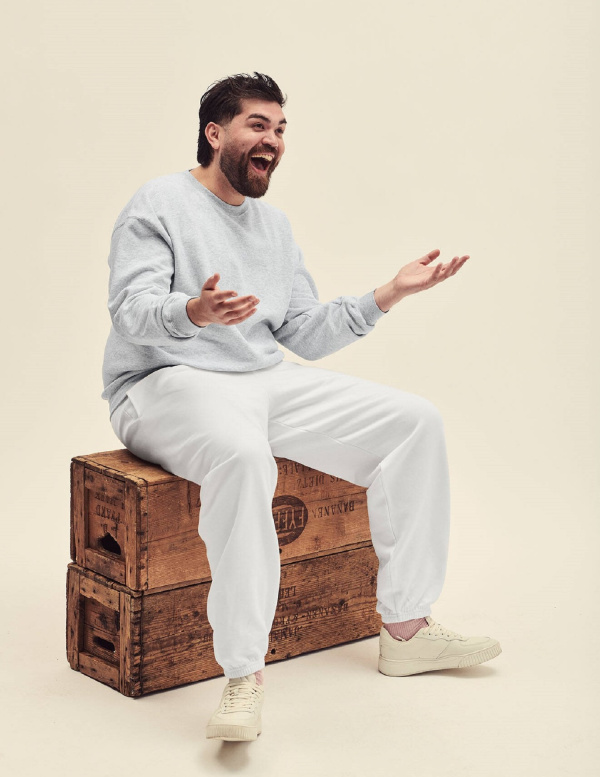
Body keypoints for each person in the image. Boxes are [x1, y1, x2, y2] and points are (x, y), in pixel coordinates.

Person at [102, 71, 501, 743]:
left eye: (281, 129)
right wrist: (194, 310)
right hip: (163, 380)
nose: (274, 140)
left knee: (414, 421)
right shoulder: (159, 202)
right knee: (241, 456)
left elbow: (303, 334)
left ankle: (407, 629)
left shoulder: (274, 226)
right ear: (215, 133)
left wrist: (388, 294)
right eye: (258, 125)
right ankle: (243, 674)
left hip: (260, 378)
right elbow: (131, 311)